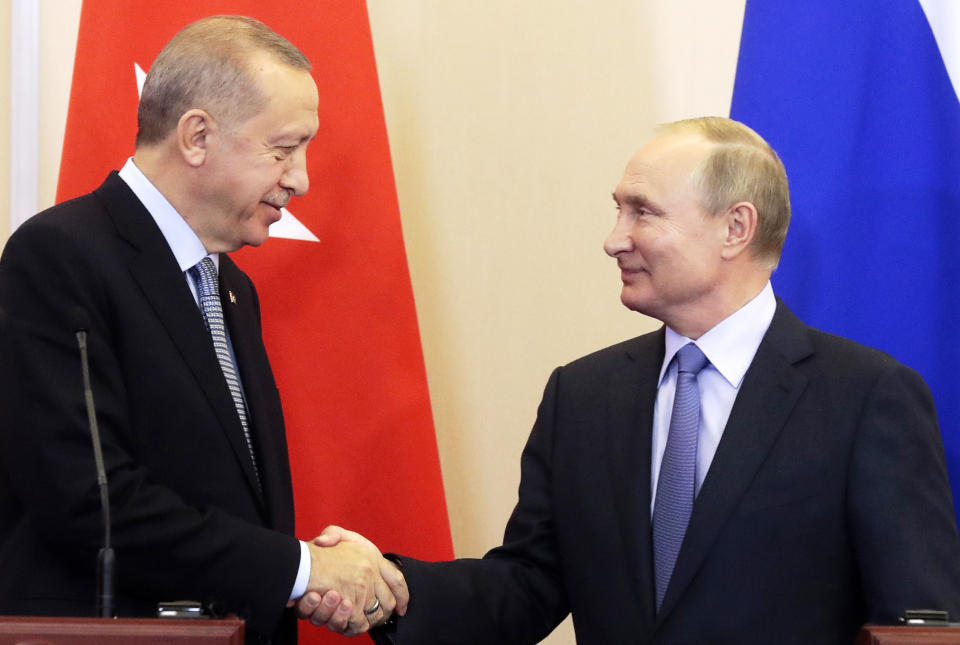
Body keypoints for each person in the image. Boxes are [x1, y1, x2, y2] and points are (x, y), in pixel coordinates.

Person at [312, 116, 960, 644]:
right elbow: (527, 585)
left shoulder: (865, 395)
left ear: (735, 227)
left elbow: (919, 621)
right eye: (618, 211)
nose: (613, 239)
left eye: (642, 212)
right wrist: (389, 588)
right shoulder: (583, 397)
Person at [0, 15, 405, 645]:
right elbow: (92, 503)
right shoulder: (59, 256)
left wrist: (300, 577)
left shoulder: (232, 288)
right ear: (196, 136)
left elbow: (228, 504)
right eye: (283, 148)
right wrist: (300, 569)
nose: (301, 179)